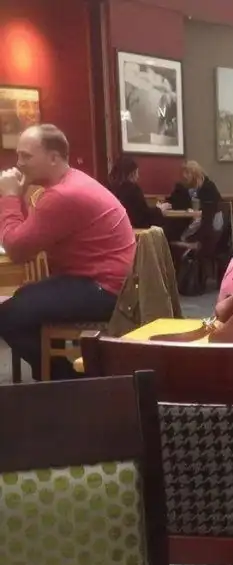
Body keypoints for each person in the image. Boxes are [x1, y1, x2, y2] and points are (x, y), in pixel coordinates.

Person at [0, 124, 136, 380]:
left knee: (8, 316)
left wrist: (8, 197)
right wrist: (19, 196)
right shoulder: (71, 182)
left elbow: (17, 250)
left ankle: (67, 379)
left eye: (26, 156)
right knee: (23, 297)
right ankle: (59, 370)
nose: (19, 163)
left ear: (54, 158)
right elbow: (28, 237)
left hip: (105, 289)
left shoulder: (63, 195)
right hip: (110, 283)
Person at [108, 155, 171, 229]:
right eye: (137, 173)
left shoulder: (109, 189)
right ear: (132, 174)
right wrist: (159, 210)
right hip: (132, 231)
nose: (138, 177)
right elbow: (142, 217)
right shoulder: (133, 190)